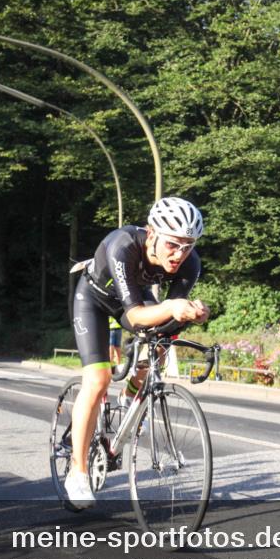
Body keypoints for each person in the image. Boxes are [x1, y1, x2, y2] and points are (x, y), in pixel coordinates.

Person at [66, 197, 210, 508]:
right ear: (152, 233)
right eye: (173, 244)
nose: (180, 254)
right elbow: (135, 316)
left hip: (132, 299)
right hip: (94, 301)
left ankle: (132, 393)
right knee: (98, 380)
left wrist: (193, 312)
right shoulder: (124, 244)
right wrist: (172, 306)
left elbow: (169, 319)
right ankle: (77, 473)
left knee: (163, 339)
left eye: (188, 246)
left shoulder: (191, 263)